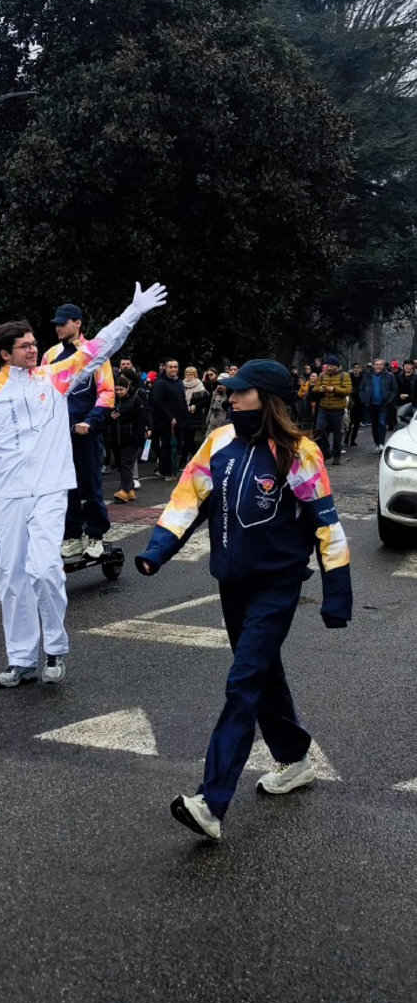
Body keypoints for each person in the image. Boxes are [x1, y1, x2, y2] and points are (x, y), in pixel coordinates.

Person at [136, 359, 352, 841]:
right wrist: (157, 551)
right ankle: (295, 758)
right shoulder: (220, 442)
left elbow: (328, 528)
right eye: (231, 393)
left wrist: (337, 597)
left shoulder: (300, 454)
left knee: (243, 683)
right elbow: (186, 499)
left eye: (240, 393)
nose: (230, 398)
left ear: (267, 398)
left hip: (277, 588)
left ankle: (211, 802)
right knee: (263, 676)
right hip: (232, 585)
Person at [0, 280, 168, 688]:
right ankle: (21, 658)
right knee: (11, 576)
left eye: (32, 342)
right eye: (24, 345)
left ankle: (55, 648)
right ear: (6, 354)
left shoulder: (54, 377)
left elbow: (100, 348)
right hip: (9, 494)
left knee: (44, 569)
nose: (33, 347)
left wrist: (133, 313)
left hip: (49, 489)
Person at [41, 303, 115, 559]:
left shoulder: (94, 353)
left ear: (78, 323)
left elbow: (106, 392)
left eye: (63, 323)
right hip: (58, 435)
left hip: (85, 430)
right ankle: (71, 535)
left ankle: (95, 535)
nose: (59, 327)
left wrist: (91, 421)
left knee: (90, 484)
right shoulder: (50, 355)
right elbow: (42, 392)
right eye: (57, 324)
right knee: (63, 487)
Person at [110, 374, 148, 503]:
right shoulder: (111, 401)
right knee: (121, 465)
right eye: (117, 389)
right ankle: (129, 488)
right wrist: (110, 417)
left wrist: (139, 439)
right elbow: (105, 417)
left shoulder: (136, 400)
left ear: (127, 388)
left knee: (126, 464)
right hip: (116, 438)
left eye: (121, 389)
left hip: (131, 439)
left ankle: (124, 490)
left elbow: (141, 420)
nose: (119, 392)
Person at [151, 358, 187, 479]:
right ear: (165, 368)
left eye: (175, 367)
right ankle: (168, 471)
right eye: (171, 367)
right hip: (167, 422)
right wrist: (169, 417)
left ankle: (165, 469)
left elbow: (182, 400)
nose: (173, 369)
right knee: (167, 446)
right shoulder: (160, 383)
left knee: (175, 446)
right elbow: (157, 402)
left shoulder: (179, 382)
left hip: (179, 420)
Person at [312, 354, 351, 465]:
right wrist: (321, 389)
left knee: (337, 433)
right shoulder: (322, 375)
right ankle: (326, 452)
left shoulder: (344, 375)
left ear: (337, 366)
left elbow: (347, 390)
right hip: (323, 408)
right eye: (328, 366)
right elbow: (315, 388)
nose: (329, 368)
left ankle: (336, 456)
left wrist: (334, 389)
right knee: (319, 430)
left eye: (332, 366)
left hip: (337, 409)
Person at [359, 358, 397, 453]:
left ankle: (381, 444)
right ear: (373, 365)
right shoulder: (367, 376)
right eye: (376, 364)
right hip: (371, 404)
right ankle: (377, 443)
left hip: (384, 404)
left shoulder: (389, 376)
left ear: (383, 365)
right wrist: (364, 399)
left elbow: (394, 390)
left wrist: (389, 401)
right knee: (374, 425)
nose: (378, 366)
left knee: (382, 423)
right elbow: (361, 388)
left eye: (380, 364)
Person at [180, 364, 209, 465]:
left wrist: (195, 406)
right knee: (189, 439)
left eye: (191, 374)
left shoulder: (199, 385)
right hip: (184, 414)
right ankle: (198, 458)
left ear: (195, 375)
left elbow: (205, 400)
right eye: (187, 374)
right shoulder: (181, 384)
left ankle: (182, 461)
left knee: (188, 438)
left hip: (194, 415)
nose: (189, 376)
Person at [345, 362, 364, 446]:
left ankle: (353, 439)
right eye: (354, 368)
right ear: (352, 369)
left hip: (360, 403)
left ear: (360, 368)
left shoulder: (363, 377)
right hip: (350, 402)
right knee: (349, 422)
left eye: (357, 367)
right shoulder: (349, 377)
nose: (356, 369)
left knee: (356, 423)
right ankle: (346, 437)